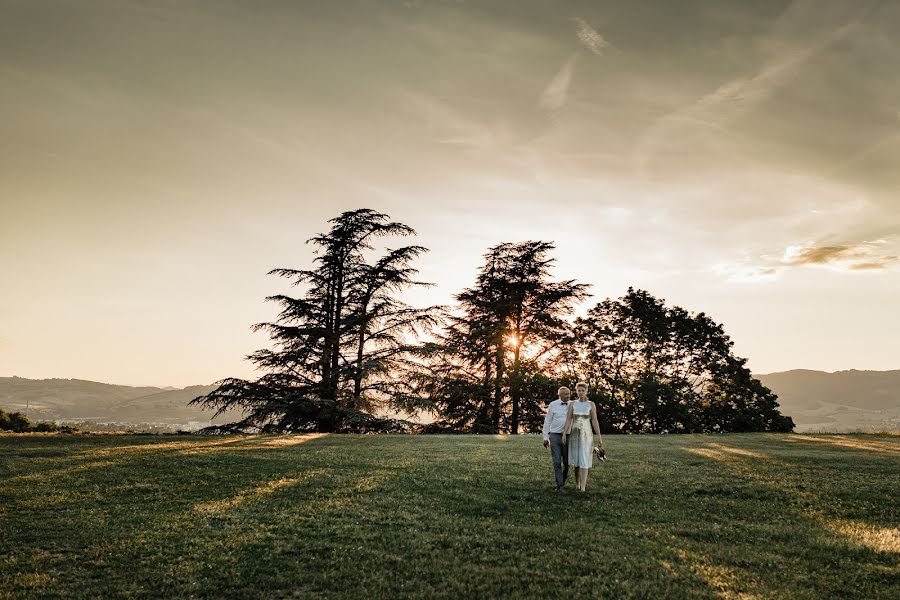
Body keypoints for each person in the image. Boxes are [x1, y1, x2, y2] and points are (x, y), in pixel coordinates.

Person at [562, 382, 602, 492]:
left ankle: (583, 487)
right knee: (576, 460)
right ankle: (577, 484)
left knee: (585, 459)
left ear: (586, 391)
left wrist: (599, 437)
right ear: (576, 391)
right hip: (575, 434)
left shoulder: (591, 404)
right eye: (578, 390)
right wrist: (565, 433)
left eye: (582, 390)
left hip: (586, 435)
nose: (580, 392)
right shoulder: (573, 404)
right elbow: (569, 419)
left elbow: (594, 420)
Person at [542, 386, 571, 491]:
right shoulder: (553, 405)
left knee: (567, 462)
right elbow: (548, 421)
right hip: (554, 436)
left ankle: (563, 479)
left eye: (569, 394)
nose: (568, 396)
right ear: (560, 395)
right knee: (557, 461)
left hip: (568, 436)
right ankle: (559, 484)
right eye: (566, 394)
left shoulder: (572, 404)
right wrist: (545, 437)